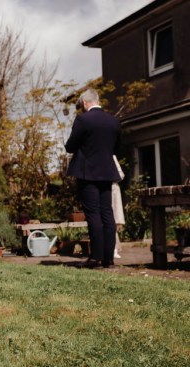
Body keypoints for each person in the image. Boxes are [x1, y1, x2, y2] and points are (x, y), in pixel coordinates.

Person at [65, 88, 121, 267]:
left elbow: (70, 146)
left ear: (85, 103)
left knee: (93, 213)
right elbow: (117, 148)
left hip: (87, 172)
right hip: (106, 172)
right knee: (107, 212)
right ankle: (108, 258)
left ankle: (95, 257)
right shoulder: (113, 121)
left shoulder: (83, 120)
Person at [112, 155, 125, 258]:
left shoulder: (112, 156)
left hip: (112, 190)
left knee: (114, 220)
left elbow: (121, 174)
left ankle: (114, 248)